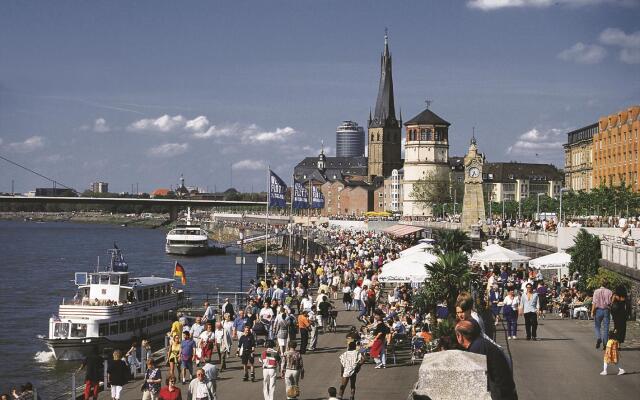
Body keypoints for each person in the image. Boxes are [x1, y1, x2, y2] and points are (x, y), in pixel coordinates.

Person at [455, 320, 517, 400]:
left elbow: (476, 379)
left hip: (500, 394)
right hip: (505, 391)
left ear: (459, 336)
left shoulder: (476, 349)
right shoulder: (480, 343)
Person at [591, 279, 613, 349]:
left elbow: (594, 303)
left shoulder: (596, 291)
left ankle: (599, 338)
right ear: (607, 284)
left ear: (601, 284)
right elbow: (611, 303)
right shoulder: (610, 292)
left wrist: (592, 311)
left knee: (597, 326)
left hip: (598, 310)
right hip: (606, 310)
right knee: (606, 327)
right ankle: (605, 344)